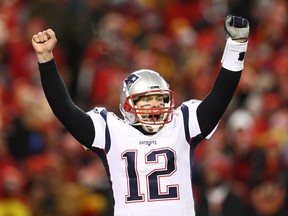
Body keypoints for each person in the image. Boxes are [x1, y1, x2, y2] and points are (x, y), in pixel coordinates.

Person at [31, 15, 249, 216]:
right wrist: (46, 60)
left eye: (160, 99)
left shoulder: (181, 124)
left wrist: (236, 46)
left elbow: (220, 97)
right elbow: (65, 110)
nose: (154, 106)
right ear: (127, 104)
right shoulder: (111, 131)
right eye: (145, 100)